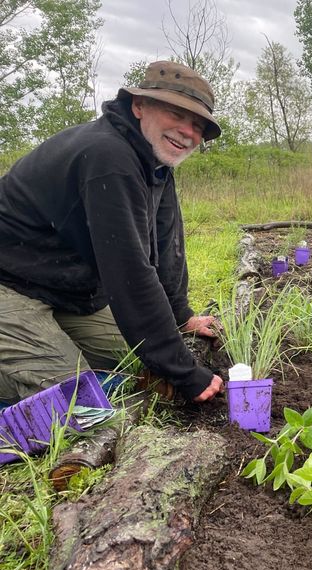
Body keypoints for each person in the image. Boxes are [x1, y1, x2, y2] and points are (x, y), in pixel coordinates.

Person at [0, 60, 224, 405]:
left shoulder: (156, 162)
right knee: (77, 399)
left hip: (65, 290)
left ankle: (44, 346)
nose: (187, 132)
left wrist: (181, 316)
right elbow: (129, 272)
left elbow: (165, 247)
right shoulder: (109, 155)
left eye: (197, 125)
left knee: (134, 357)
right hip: (9, 284)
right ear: (139, 106)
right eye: (176, 115)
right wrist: (185, 373)